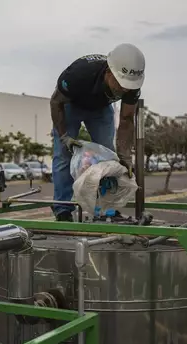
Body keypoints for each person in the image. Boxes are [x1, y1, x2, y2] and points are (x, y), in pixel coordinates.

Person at [49, 43, 146, 222]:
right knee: (63, 155)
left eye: (128, 87)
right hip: (70, 106)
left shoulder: (132, 85)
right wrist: (64, 136)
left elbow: (126, 119)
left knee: (108, 157)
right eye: (120, 84)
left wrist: (125, 155)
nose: (124, 90)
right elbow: (56, 102)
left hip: (101, 109)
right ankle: (62, 209)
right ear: (109, 72)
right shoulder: (78, 74)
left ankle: (108, 209)